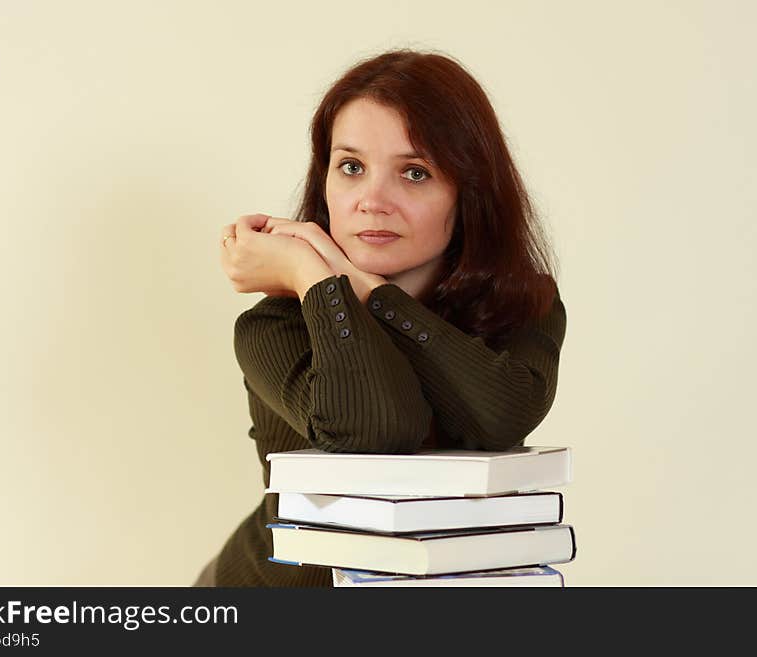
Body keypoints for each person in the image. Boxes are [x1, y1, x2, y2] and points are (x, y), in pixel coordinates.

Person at [193, 48, 567, 587]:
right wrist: (314, 277)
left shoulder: (522, 304)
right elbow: (374, 433)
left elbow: (502, 418)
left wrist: (367, 291)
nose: (372, 200)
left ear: (469, 192)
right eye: (351, 167)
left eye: (414, 173)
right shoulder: (276, 324)